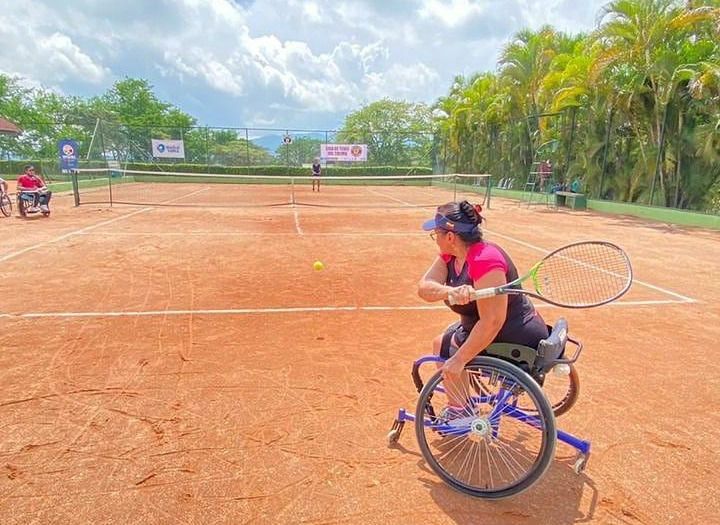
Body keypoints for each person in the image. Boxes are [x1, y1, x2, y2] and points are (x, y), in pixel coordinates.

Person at [418, 200, 549, 414]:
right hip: (491, 326)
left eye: (436, 234)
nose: (435, 239)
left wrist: (458, 360)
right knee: (441, 343)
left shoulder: (485, 260)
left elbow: (492, 321)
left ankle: (458, 411)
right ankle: (460, 401)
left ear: (450, 237)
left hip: (514, 333)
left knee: (447, 349)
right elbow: (424, 288)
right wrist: (449, 291)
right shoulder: (450, 256)